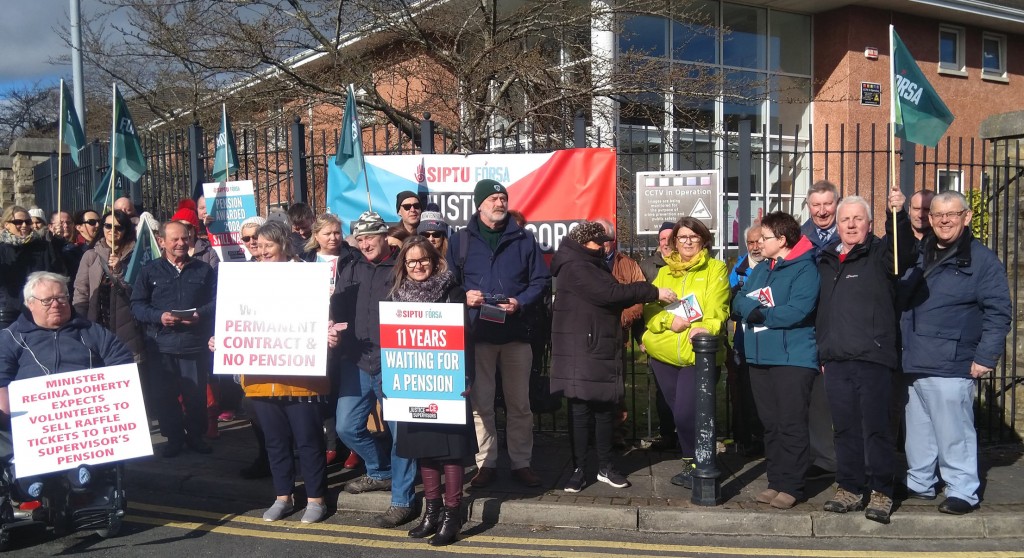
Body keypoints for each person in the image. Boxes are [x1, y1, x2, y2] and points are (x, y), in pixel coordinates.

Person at [899, 191, 1011, 515]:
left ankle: (963, 489)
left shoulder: (983, 259)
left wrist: (986, 357)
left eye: (952, 213)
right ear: (929, 219)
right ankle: (920, 483)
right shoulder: (918, 253)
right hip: (913, 356)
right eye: (938, 215)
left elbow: (998, 312)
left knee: (953, 432)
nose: (944, 220)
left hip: (951, 360)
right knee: (918, 431)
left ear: (967, 216)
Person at [552, 222, 675, 492]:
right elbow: (609, 294)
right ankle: (580, 468)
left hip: (596, 347)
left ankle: (603, 466)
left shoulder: (587, 262)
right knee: (582, 410)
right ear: (586, 243)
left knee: (603, 409)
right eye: (600, 242)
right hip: (584, 350)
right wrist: (654, 291)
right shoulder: (576, 266)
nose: (605, 246)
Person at [225, 220, 334, 524]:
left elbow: (324, 316)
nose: (261, 250)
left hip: (303, 379)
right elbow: (234, 319)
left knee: (309, 440)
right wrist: (219, 339)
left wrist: (327, 331)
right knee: (274, 442)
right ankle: (282, 496)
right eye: (257, 245)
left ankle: (316, 499)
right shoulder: (244, 280)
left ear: (284, 243)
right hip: (261, 381)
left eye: (267, 244)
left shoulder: (308, 277)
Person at [816, 191, 914, 524]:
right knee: (844, 429)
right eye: (845, 219)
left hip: (873, 358)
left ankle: (882, 491)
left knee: (877, 429)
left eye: (858, 218)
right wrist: (824, 350)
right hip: (837, 359)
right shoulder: (827, 259)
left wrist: (897, 214)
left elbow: (905, 253)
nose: (851, 224)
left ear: (870, 224)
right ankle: (849, 488)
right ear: (838, 226)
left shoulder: (881, 254)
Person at [446, 179, 550, 488]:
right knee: (482, 405)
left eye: (503, 197)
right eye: (493, 198)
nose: (499, 202)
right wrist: (465, 296)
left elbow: (541, 280)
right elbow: (448, 283)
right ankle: (486, 463)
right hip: (478, 335)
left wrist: (521, 302)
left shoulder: (524, 239)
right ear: (479, 204)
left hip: (516, 334)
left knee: (520, 404)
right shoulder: (461, 241)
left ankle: (521, 463)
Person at [334, 210, 417, 528]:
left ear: (385, 236)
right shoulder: (351, 266)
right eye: (361, 237)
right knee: (346, 427)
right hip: (356, 361)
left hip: (395, 362)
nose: (365, 242)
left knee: (402, 437)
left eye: (371, 236)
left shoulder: (402, 265)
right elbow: (337, 306)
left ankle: (402, 500)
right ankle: (380, 471)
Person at [392, 236, 475, 546]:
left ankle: (453, 517)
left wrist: (468, 378)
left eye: (423, 259)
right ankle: (432, 512)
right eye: (411, 261)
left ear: (435, 260)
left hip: (449, 384)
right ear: (403, 265)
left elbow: (467, 339)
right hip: (413, 385)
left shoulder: (453, 292)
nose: (418, 265)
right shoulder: (396, 296)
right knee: (424, 451)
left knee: (451, 453)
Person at [732, 211, 819, 510]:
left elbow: (798, 310)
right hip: (760, 354)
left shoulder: (805, 268)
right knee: (770, 424)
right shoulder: (762, 267)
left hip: (791, 357)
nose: (759, 243)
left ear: (782, 240)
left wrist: (760, 313)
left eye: (765, 237)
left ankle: (793, 484)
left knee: (790, 423)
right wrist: (749, 308)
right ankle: (776, 480)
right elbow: (740, 298)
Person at [0, 272, 135, 455]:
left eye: (61, 298)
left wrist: (104, 395)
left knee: (86, 474)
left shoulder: (90, 331)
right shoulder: (11, 337)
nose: (56, 305)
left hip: (86, 420)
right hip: (32, 424)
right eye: (47, 300)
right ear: (30, 304)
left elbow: (121, 361)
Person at [641, 217, 729, 489]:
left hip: (697, 354)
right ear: (674, 242)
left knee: (686, 412)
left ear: (703, 240)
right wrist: (669, 322)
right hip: (664, 355)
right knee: (677, 412)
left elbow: (719, 309)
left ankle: (700, 462)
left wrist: (705, 328)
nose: (688, 242)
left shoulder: (716, 268)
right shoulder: (665, 272)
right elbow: (652, 314)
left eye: (693, 237)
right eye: (682, 237)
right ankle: (692, 461)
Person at [131, 220, 217, 458]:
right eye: (175, 239)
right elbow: (137, 305)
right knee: (164, 395)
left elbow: (216, 301)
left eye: (185, 238)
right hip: (161, 345)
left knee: (196, 395)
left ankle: (196, 436)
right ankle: (173, 438)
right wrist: (159, 317)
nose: (181, 243)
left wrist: (200, 315)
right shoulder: (149, 271)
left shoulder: (203, 270)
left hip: (193, 343)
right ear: (162, 242)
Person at [799, 180, 840, 481]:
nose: (823, 210)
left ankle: (852, 454)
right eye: (817, 205)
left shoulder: (853, 232)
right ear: (809, 206)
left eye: (828, 204)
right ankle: (824, 457)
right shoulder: (800, 238)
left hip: (843, 320)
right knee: (816, 397)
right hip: (810, 323)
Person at [72, 209, 145, 363]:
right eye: (108, 226)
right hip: (97, 320)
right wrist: (79, 319)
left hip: (126, 323)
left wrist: (119, 271)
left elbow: (137, 290)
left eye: (119, 227)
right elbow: (81, 291)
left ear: (126, 230)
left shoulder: (137, 256)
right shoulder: (91, 256)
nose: (112, 231)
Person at [726, 222, 765, 456]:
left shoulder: (776, 264)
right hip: (743, 340)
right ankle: (746, 438)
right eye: (750, 242)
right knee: (744, 393)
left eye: (759, 241)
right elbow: (731, 302)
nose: (755, 246)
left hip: (770, 339)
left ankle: (764, 438)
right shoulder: (738, 268)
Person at [639, 220, 677, 448]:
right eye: (662, 239)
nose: (666, 243)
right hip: (657, 334)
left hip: (682, 333)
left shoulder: (688, 264)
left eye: (670, 239)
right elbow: (638, 303)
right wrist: (641, 336)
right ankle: (667, 435)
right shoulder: (646, 267)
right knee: (662, 390)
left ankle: (686, 435)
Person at [1, 206, 68, 329]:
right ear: (6, 225)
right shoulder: (2, 249)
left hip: (40, 307)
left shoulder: (43, 247)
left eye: (27, 221)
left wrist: (58, 241)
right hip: (8, 309)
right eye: (18, 222)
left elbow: (57, 272)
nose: (24, 225)